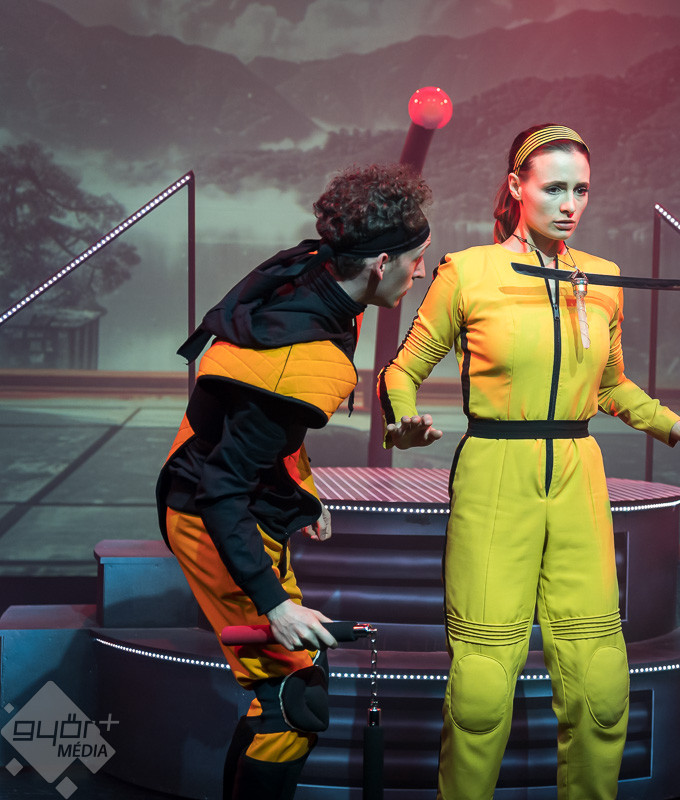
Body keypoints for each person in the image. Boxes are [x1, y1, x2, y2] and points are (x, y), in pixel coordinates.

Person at [377, 123, 680, 799]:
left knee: (601, 686)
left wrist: (679, 427)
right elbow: (402, 370)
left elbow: (610, 385)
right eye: (553, 188)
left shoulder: (602, 279)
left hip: (578, 473)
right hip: (495, 471)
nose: (569, 204)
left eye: (581, 190)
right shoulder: (467, 272)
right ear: (516, 188)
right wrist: (402, 424)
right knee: (482, 688)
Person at [156, 163, 433, 799]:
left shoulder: (322, 276)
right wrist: (273, 605)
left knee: (282, 695)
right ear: (380, 264)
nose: (420, 273)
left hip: (235, 495)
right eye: (416, 260)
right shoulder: (306, 357)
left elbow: (255, 424)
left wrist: (299, 481)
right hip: (210, 514)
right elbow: (222, 486)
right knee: (291, 705)